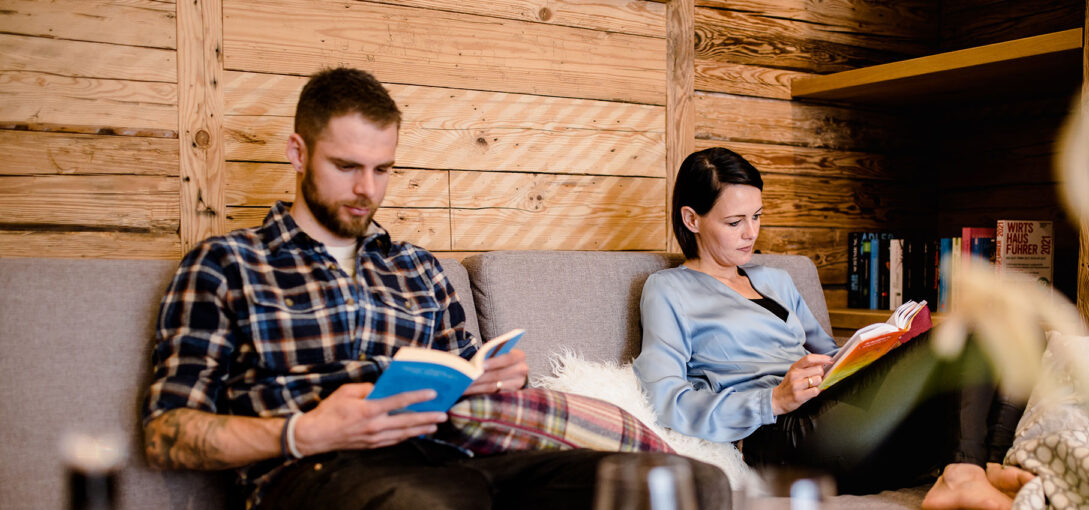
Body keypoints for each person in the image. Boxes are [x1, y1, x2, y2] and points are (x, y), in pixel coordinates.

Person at [141, 67, 729, 510]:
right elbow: (168, 434)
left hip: (458, 457)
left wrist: (497, 377)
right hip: (315, 474)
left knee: (687, 484)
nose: (366, 189)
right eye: (347, 166)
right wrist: (304, 430)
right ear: (298, 153)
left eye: (383, 169)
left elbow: (467, 381)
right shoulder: (227, 264)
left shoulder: (417, 269)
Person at [633, 147, 1033, 509]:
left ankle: (983, 463)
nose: (751, 233)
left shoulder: (776, 280)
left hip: (834, 409)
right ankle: (963, 472)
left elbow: (831, 355)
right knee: (968, 331)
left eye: (756, 217)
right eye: (735, 221)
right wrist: (773, 400)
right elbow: (665, 399)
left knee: (1019, 322)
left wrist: (885, 349)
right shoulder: (669, 290)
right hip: (779, 434)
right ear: (692, 219)